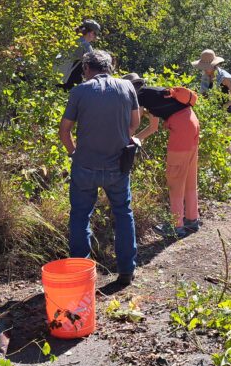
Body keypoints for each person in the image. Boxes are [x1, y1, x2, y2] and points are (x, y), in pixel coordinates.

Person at [58, 50, 140, 286]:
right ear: (110, 68)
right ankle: (126, 271)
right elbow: (134, 124)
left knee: (80, 216)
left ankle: (80, 274)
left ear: (86, 69)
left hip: (85, 165)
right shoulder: (127, 87)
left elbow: (65, 130)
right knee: (123, 214)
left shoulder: (80, 91)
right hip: (118, 165)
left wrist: (73, 152)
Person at [123, 73, 201, 238]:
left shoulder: (140, 98)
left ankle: (175, 226)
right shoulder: (152, 93)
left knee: (175, 178)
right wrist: (135, 139)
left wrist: (126, 138)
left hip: (181, 130)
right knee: (188, 176)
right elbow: (153, 128)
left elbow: (136, 125)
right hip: (192, 122)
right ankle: (192, 220)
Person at [57, 19, 101, 91]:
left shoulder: (69, 40)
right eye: (95, 34)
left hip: (56, 78)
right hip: (69, 82)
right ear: (91, 33)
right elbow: (94, 64)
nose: (94, 37)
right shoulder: (85, 45)